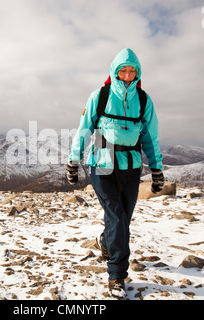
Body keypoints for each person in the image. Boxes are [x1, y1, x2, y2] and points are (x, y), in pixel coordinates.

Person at [66, 48, 164, 299]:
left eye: (133, 71)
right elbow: (84, 129)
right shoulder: (100, 96)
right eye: (124, 70)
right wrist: (73, 161)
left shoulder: (144, 100)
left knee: (122, 219)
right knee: (117, 217)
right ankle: (116, 276)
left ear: (138, 73)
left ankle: (107, 241)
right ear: (115, 71)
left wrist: (156, 170)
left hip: (131, 167)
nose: (128, 74)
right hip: (102, 165)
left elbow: (150, 138)